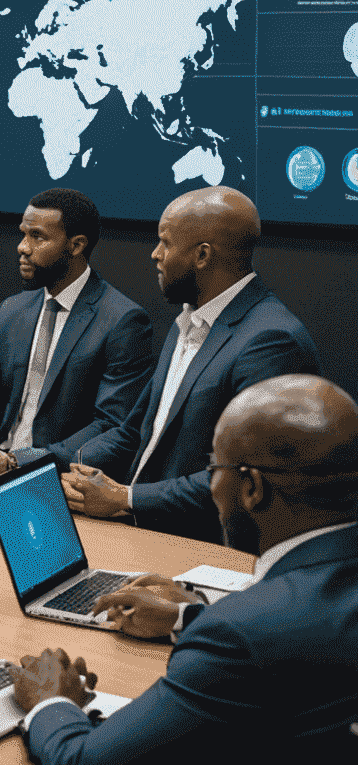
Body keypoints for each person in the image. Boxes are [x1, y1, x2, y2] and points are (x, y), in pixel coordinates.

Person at [9, 374, 358, 765]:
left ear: (251, 488)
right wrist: (185, 617)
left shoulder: (241, 635)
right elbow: (312, 646)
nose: (211, 487)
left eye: (213, 469)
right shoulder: (280, 616)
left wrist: (51, 703)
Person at [47, 186, 319, 541]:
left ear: (202, 255)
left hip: (206, 547)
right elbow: (134, 434)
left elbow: (244, 478)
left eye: (165, 242)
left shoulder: (270, 341)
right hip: (143, 528)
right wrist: (51, 468)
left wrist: (125, 498)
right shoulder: (188, 323)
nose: (155, 254)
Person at [0, 189, 152, 481]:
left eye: (38, 237)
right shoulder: (12, 311)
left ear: (76, 245)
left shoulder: (122, 321)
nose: (22, 247)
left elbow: (111, 427)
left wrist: (15, 463)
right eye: (23, 234)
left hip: (59, 480)